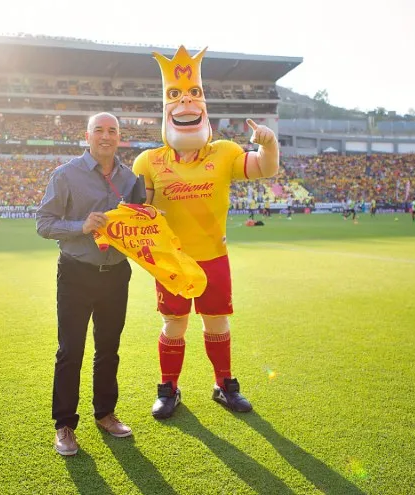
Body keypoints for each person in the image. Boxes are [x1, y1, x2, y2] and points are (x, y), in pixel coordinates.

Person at [133, 46, 280, 419]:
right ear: (164, 109)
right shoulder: (149, 161)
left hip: (214, 255)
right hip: (173, 261)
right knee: (174, 324)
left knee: (217, 321)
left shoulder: (226, 152)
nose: (186, 102)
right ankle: (169, 389)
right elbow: (139, 210)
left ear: (205, 105)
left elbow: (264, 169)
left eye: (194, 94)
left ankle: (224, 384)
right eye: (175, 96)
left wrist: (270, 143)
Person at [36, 112, 138, 456]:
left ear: (119, 137)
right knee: (70, 351)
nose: (106, 136)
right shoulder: (66, 175)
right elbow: (44, 223)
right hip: (77, 273)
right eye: (99, 130)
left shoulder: (131, 179)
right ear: (87, 135)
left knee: (109, 349)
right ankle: (64, 425)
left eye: (112, 131)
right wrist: (81, 226)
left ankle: (105, 413)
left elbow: (138, 224)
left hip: (116, 275)